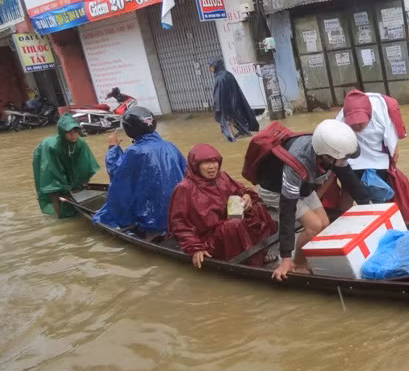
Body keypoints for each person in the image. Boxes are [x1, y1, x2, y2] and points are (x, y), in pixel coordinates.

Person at [241, 119, 372, 280]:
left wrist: (370, 207)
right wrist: (286, 257)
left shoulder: (330, 152)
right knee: (314, 226)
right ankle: (297, 264)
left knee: (324, 223)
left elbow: (349, 179)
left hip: (303, 185)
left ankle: (306, 257)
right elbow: (287, 210)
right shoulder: (298, 162)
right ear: (326, 155)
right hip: (275, 189)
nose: (344, 161)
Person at [168, 144, 276, 269]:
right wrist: (195, 247)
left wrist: (246, 195)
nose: (212, 167)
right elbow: (179, 224)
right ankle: (251, 261)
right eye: (206, 162)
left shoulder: (222, 177)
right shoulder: (184, 188)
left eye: (214, 161)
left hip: (227, 225)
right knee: (233, 225)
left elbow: (240, 190)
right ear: (195, 166)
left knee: (257, 207)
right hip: (206, 239)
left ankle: (260, 251)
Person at [93, 107, 187, 238]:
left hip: (153, 218)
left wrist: (113, 148)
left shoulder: (135, 151)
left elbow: (116, 174)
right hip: (180, 214)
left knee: (112, 208)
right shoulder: (170, 145)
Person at [330, 89, 409, 221]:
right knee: (347, 193)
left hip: (377, 159)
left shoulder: (381, 114)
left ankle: (381, 222)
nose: (357, 126)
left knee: (380, 193)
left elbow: (394, 150)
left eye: (361, 122)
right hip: (351, 160)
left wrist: (391, 166)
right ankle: (340, 223)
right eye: (353, 123)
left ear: (369, 115)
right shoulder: (341, 120)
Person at [33, 113, 100, 218]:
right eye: (68, 132)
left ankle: (78, 208)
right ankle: (61, 217)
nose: (73, 135)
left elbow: (84, 165)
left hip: (67, 156)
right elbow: (53, 171)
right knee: (54, 190)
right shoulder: (52, 147)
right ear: (62, 132)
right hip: (46, 156)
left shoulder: (81, 143)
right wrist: (64, 186)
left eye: (75, 131)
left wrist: (83, 182)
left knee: (79, 185)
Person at [210, 58, 259, 142]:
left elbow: (218, 96)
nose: (210, 69)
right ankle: (244, 135)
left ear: (215, 66)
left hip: (226, 105)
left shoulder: (219, 78)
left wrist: (217, 108)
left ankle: (233, 140)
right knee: (236, 121)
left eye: (211, 66)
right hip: (235, 103)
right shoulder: (228, 74)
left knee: (228, 123)